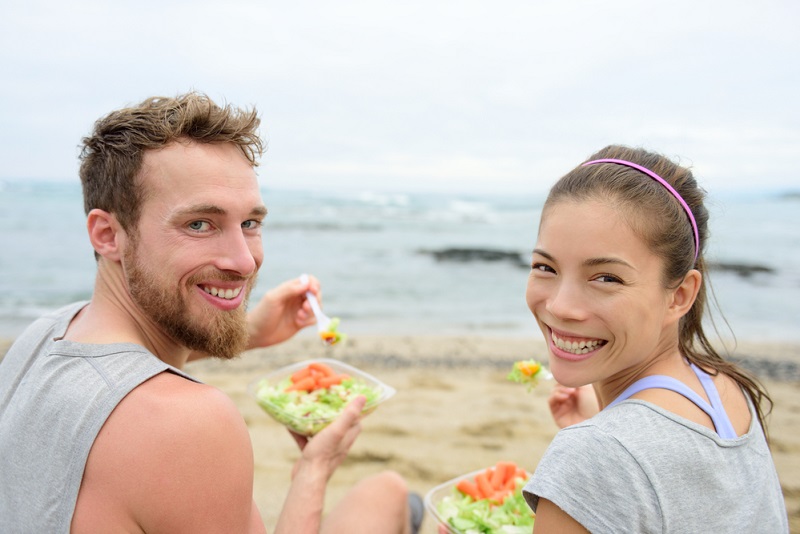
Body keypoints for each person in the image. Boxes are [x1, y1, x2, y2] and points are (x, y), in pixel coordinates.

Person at [0, 92, 423, 533]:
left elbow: (115, 376)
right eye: (199, 224)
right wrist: (313, 470)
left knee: (388, 493)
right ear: (108, 234)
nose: (243, 261)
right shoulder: (189, 422)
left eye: (250, 223)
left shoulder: (44, 336)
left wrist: (251, 331)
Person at [521, 145, 789, 532]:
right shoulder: (725, 389)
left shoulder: (595, 454)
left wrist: (599, 448)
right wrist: (605, 429)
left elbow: (622, 457)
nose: (561, 306)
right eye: (545, 267)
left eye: (607, 277)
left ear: (679, 295)